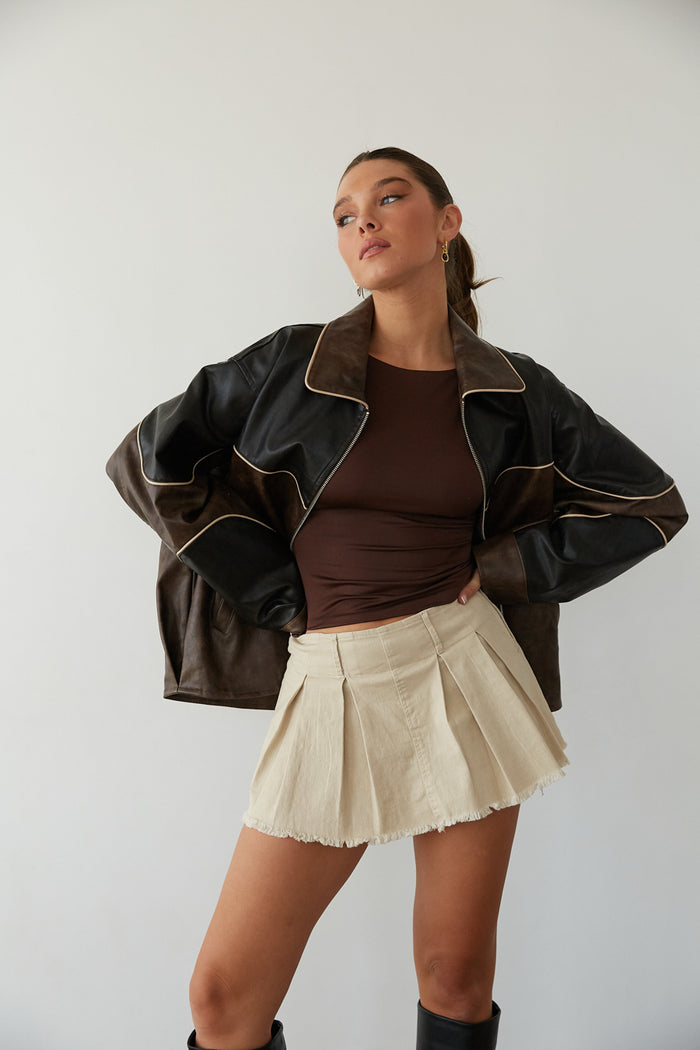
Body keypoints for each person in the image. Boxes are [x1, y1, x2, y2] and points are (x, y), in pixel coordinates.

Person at [106, 146, 688, 1050]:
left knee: (455, 977)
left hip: (464, 670)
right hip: (333, 678)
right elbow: (151, 462)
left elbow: (650, 503)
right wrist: (273, 590)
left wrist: (501, 572)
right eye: (344, 214)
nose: (363, 221)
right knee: (223, 999)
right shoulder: (288, 366)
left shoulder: (515, 389)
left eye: (388, 197)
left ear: (446, 224)